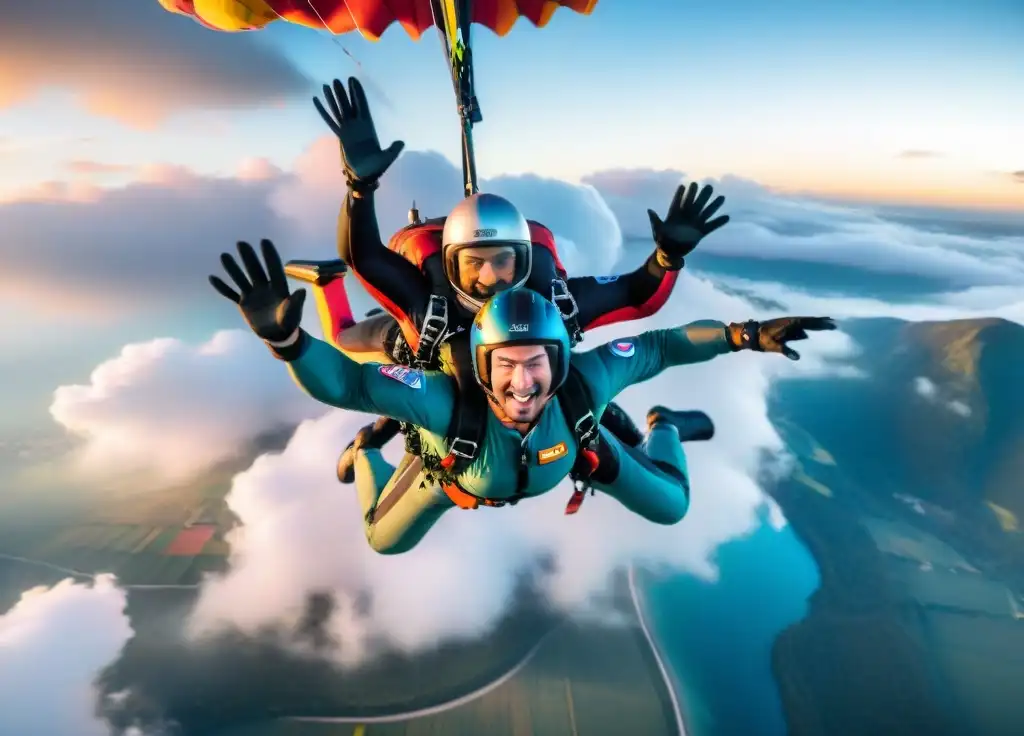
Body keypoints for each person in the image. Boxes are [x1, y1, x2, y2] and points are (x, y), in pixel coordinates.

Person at [208, 240, 836, 554]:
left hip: (573, 454)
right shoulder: (440, 402)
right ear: (480, 367)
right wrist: (289, 342)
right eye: (505, 365)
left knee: (672, 507)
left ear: (559, 361)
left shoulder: (585, 383)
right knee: (383, 539)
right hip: (451, 473)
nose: (522, 382)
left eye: (537, 362)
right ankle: (365, 455)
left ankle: (661, 424)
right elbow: (348, 381)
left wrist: (745, 334)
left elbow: (661, 346)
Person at [291, 77, 732, 477]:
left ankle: (646, 439)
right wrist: (358, 188)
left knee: (587, 403)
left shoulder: (551, 300)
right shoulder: (428, 301)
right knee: (350, 340)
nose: (489, 280)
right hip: (418, 346)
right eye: (474, 264)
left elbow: (637, 294)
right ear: (449, 266)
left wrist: (666, 257)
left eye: (503, 262)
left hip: (489, 374)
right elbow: (362, 255)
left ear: (524, 260)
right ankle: (326, 286)